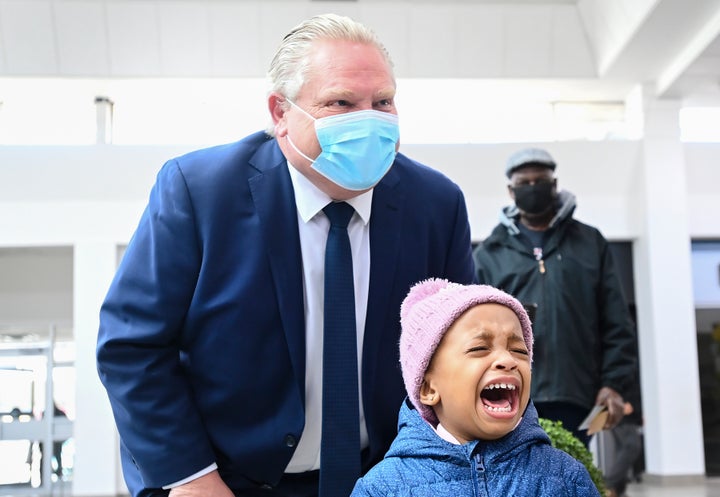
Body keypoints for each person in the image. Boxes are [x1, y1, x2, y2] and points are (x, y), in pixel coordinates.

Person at [95, 13, 475, 497]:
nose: (370, 120)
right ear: (280, 113)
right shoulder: (200, 192)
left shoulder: (435, 204)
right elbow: (132, 347)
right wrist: (192, 478)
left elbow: (461, 352)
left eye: (383, 102)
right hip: (227, 481)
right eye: (341, 103)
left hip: (388, 478)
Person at [351, 279, 601, 496]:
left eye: (519, 350)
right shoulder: (382, 488)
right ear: (427, 389)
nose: (508, 360)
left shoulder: (567, 479)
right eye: (480, 348)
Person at [472, 147, 637, 446]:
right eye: (525, 183)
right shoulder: (489, 254)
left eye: (541, 181)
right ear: (511, 191)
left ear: (555, 185)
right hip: (513, 397)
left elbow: (616, 322)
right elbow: (475, 333)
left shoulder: (589, 244)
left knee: (572, 479)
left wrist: (613, 383)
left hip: (578, 395)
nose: (533, 188)